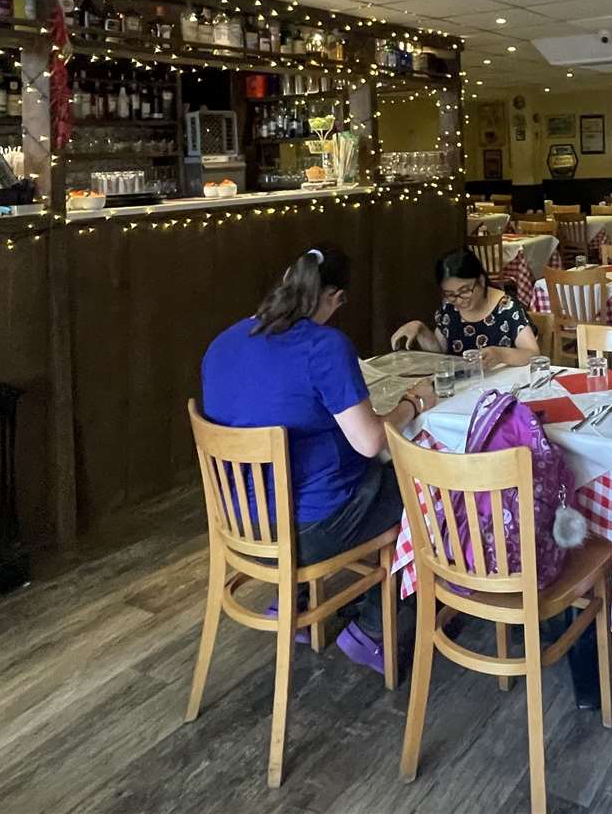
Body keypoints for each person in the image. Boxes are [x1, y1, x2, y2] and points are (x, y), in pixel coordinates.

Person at [201, 244, 434, 674]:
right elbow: (369, 442)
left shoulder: (222, 342)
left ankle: (291, 600)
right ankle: (369, 629)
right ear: (336, 298)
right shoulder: (325, 347)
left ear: (288, 277)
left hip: (238, 524)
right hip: (307, 530)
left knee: (323, 470)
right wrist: (412, 403)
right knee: (422, 490)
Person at [390, 248, 541, 367]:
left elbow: (532, 354)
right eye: (450, 294)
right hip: (462, 386)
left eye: (465, 291)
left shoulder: (506, 308)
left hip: (499, 389)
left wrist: (500, 354)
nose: (459, 300)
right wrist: (421, 329)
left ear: (481, 281)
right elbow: (440, 352)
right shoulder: (449, 308)